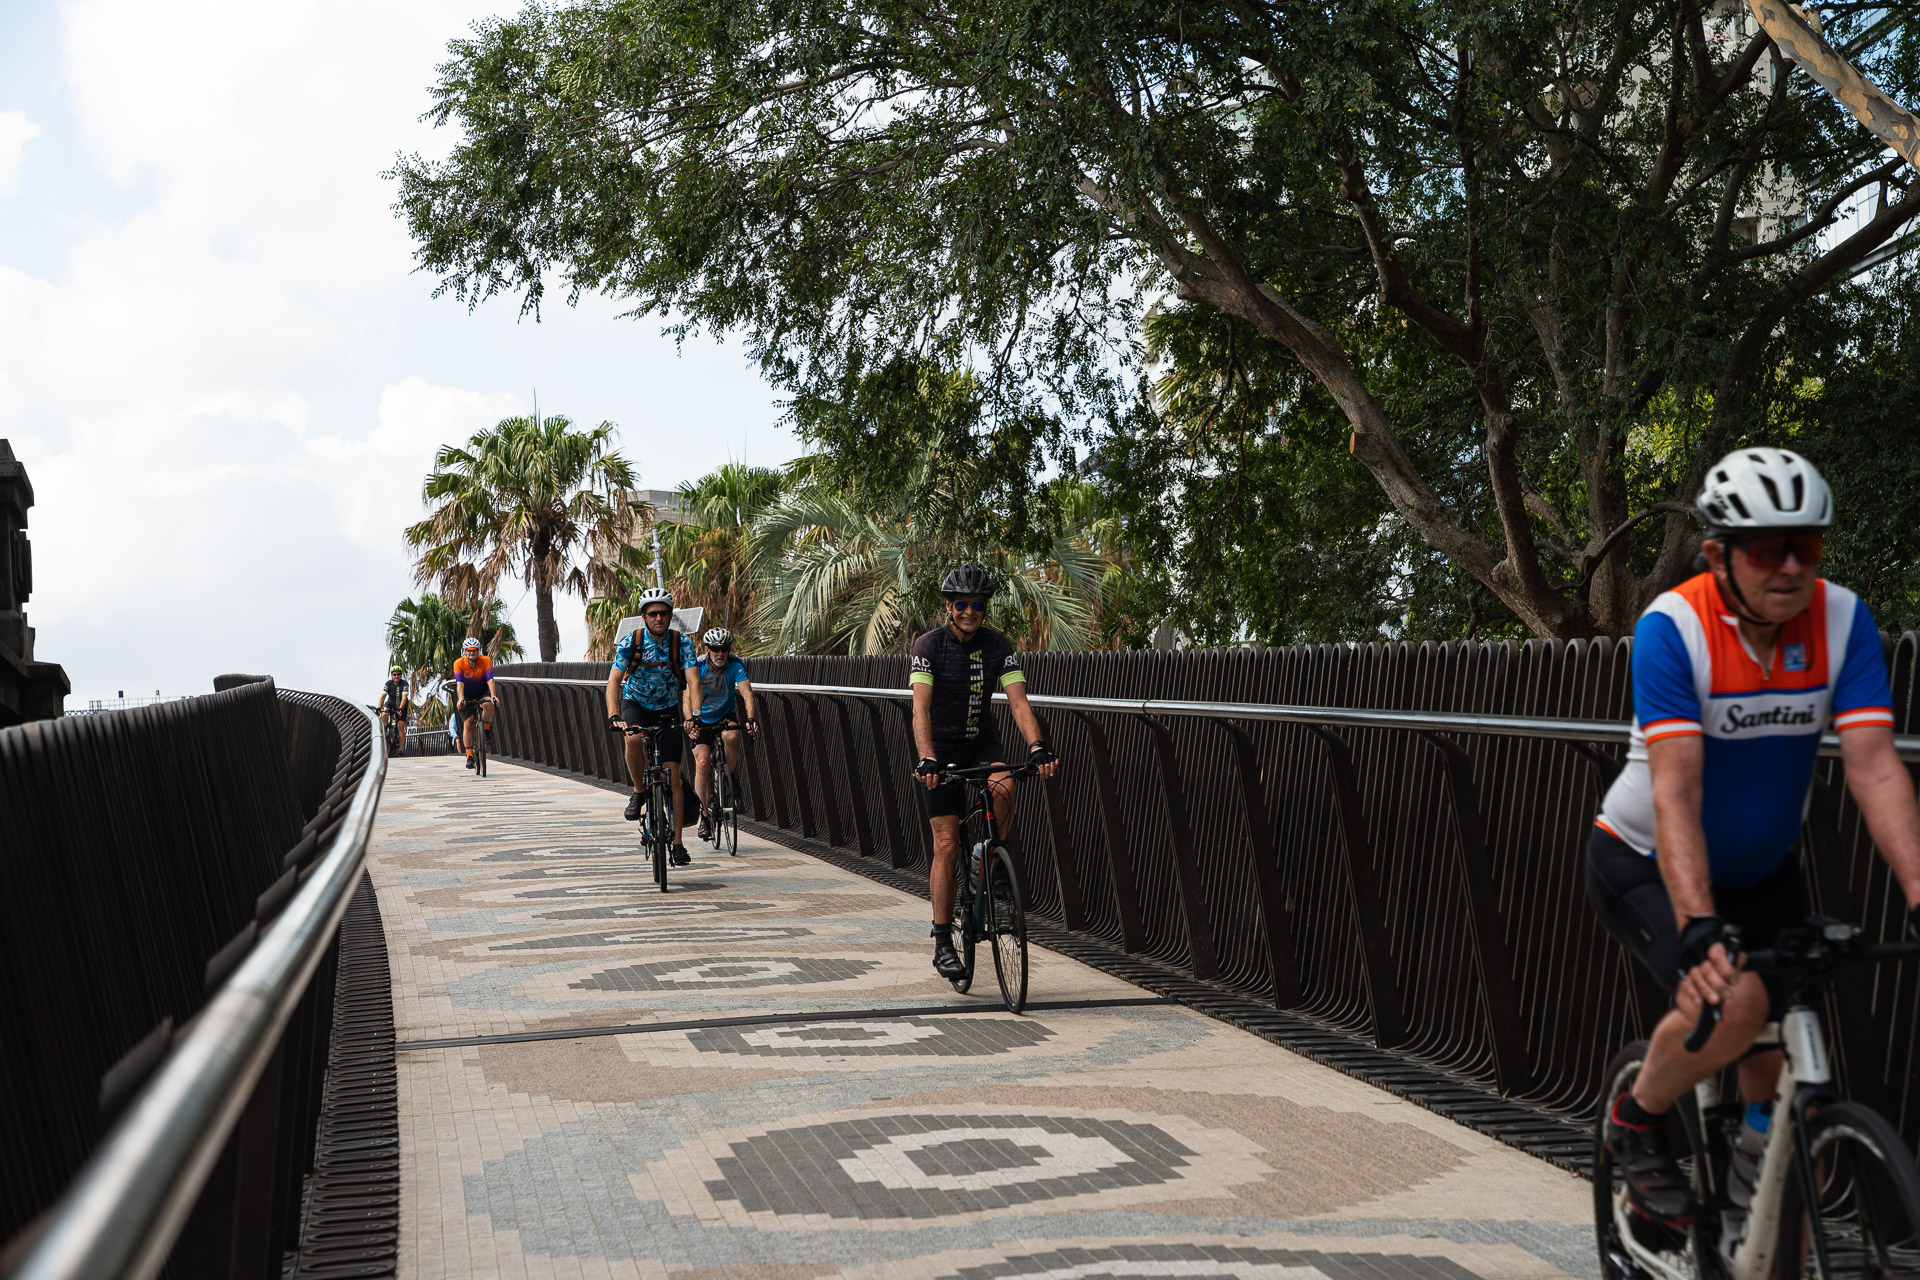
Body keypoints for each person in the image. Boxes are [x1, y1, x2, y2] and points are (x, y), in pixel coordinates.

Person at [1590, 448, 1920, 1229]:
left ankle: (1752, 1207)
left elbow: (1875, 770)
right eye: (1771, 548)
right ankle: (1636, 1120)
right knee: (1734, 1004)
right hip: (1644, 861)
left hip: (1765, 871)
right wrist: (1700, 922)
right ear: (1718, 554)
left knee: (1789, 1105)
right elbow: (1677, 789)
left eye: (1807, 546)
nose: (1792, 567)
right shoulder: (1674, 627)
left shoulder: (1842, 619)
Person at [909, 564, 1059, 980]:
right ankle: (942, 941)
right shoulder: (928, 646)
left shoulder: (999, 646)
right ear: (949, 606)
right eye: (961, 604)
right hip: (939, 752)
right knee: (945, 842)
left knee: (1006, 786)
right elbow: (920, 707)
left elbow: (1018, 702)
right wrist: (927, 757)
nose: (969, 611)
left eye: (977, 605)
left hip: (981, 743)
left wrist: (1037, 747)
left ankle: (988, 861)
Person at [605, 586, 700, 865]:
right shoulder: (630, 643)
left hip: (668, 708)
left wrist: (694, 713)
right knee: (633, 740)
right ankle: (637, 791)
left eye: (664, 613)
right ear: (644, 617)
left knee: (673, 776)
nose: (659, 618)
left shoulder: (681, 643)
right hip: (636, 705)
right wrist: (614, 715)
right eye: (653, 614)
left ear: (671, 615)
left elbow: (693, 681)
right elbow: (613, 681)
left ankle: (679, 843)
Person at [690, 627, 759, 840]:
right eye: (716, 649)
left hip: (724, 714)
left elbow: (747, 693)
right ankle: (704, 817)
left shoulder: (735, 663)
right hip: (700, 718)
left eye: (725, 649)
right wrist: (691, 720)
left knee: (731, 735)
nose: (720, 654)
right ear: (707, 649)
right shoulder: (697, 665)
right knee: (702, 763)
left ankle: (730, 775)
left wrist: (750, 718)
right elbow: (686, 696)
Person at [451, 638, 497, 768]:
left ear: (478, 651)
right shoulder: (458, 663)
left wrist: (493, 696)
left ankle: (486, 730)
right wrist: (461, 698)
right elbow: (459, 684)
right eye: (469, 651)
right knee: (468, 723)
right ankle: (470, 756)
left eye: (474, 651)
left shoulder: (486, 661)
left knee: (489, 703)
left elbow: (490, 680)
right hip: (466, 694)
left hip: (482, 691)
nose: (472, 653)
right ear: (465, 651)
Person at [377, 666, 412, 752]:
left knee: (400, 726)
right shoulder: (388, 684)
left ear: (401, 675)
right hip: (391, 704)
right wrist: (378, 707)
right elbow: (383, 697)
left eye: (398, 674)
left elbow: (404, 697)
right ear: (392, 676)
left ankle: (401, 749)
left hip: (402, 706)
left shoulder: (404, 683)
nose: (396, 676)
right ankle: (385, 730)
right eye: (394, 674)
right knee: (384, 714)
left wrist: (400, 708)